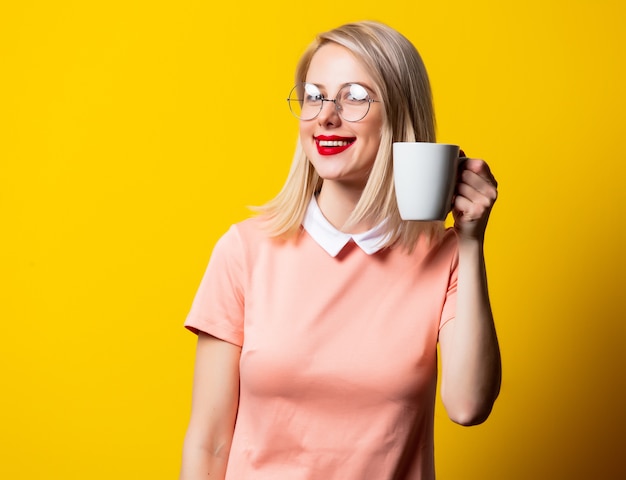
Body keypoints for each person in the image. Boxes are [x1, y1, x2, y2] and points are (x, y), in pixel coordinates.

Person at [179, 20, 501, 480]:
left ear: (399, 115)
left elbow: (468, 405)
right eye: (314, 95)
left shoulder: (444, 256)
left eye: (354, 96)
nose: (326, 116)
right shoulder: (244, 251)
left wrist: (471, 242)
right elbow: (208, 442)